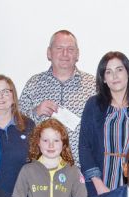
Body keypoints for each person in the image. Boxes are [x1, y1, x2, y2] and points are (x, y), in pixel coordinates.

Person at [18, 30, 95, 168]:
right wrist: (34, 112)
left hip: (81, 172)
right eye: (59, 48)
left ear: (77, 54)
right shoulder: (33, 84)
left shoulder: (93, 86)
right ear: (49, 53)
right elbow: (17, 125)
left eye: (70, 49)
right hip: (41, 171)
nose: (65, 54)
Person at [79, 51, 129, 197]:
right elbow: (84, 146)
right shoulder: (93, 105)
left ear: (128, 73)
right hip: (99, 185)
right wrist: (98, 185)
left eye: (119, 70)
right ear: (103, 78)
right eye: (108, 72)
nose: (115, 76)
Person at [0, 74, 35, 195]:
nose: (0, 96)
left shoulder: (28, 125)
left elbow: (36, 163)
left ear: (13, 97)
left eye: (6, 92)